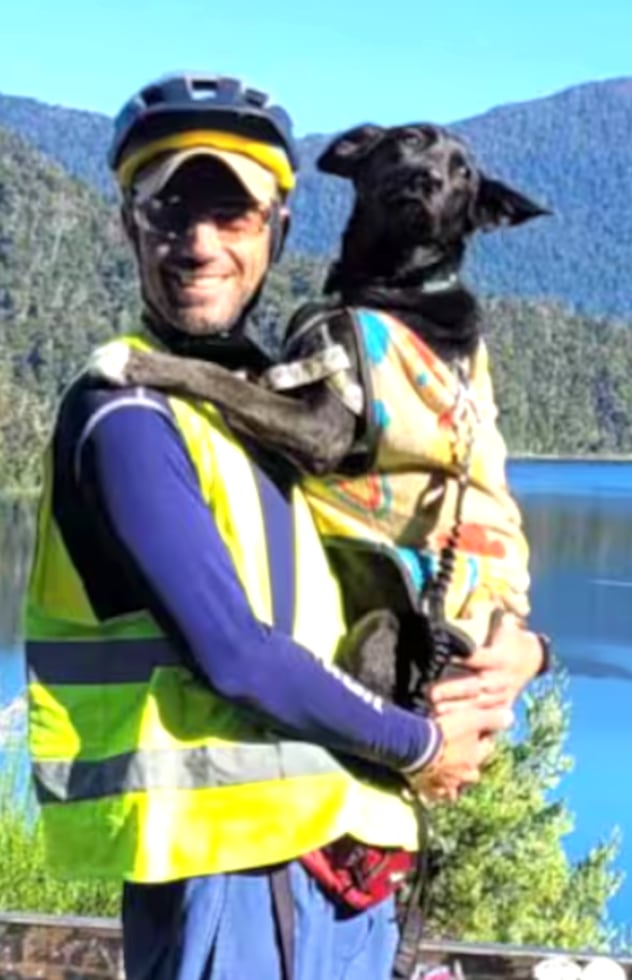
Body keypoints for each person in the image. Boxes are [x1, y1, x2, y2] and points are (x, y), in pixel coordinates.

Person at [23, 72, 547, 980]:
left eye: (233, 216)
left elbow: (416, 545)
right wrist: (426, 744)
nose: (198, 243)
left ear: (278, 232)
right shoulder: (130, 412)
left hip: (345, 879)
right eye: (168, 212)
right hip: (230, 881)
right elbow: (235, 655)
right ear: (127, 227)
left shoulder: (282, 413)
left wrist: (523, 653)